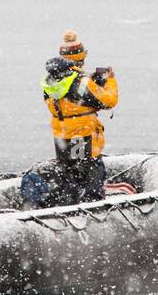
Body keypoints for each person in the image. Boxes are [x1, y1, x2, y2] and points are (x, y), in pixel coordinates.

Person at [35, 30, 118, 206]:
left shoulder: (50, 80)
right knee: (91, 174)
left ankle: (67, 208)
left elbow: (67, 100)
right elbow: (109, 101)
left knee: (68, 173)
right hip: (84, 133)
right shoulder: (83, 82)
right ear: (81, 56)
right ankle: (92, 210)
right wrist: (110, 80)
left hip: (62, 133)